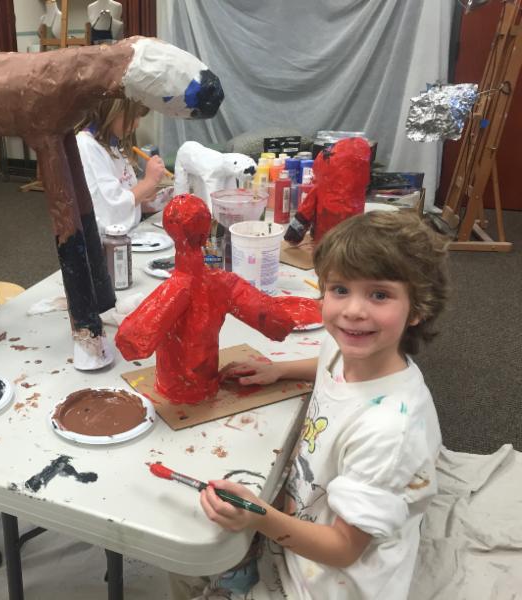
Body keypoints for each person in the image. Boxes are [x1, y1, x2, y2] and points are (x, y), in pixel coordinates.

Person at [175, 210, 450, 600]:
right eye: (340, 289)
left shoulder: (390, 431)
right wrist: (280, 370)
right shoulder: (344, 348)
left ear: (419, 308)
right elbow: (324, 360)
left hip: (333, 580)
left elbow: (344, 548)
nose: (353, 310)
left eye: (379, 295)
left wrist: (259, 518)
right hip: (305, 518)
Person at [75, 97, 167, 234]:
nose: (137, 124)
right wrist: (149, 182)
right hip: (106, 241)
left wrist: (142, 204)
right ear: (112, 111)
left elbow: (123, 196)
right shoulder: (87, 146)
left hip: (126, 234)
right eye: (133, 116)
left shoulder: (113, 144)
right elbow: (111, 208)